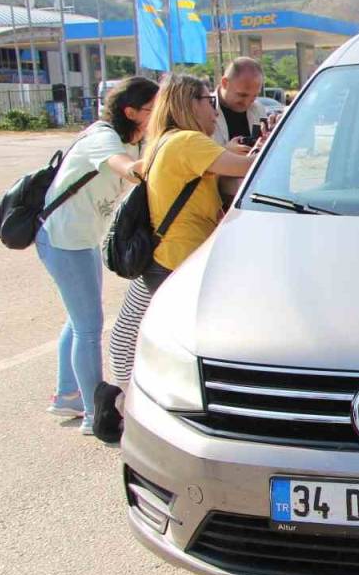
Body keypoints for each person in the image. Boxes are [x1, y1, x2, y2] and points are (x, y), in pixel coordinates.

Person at [99, 75, 261, 430]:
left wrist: (232, 150)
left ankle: (128, 402)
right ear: (190, 103)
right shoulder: (188, 142)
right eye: (208, 101)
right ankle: (134, 407)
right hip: (180, 261)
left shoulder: (165, 142)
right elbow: (250, 170)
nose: (214, 112)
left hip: (164, 257)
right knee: (161, 341)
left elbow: (219, 162)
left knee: (128, 332)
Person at [34, 77, 157, 435]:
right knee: (88, 327)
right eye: (152, 109)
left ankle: (67, 395)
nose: (157, 115)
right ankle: (93, 413)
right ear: (130, 111)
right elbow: (127, 169)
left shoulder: (133, 140)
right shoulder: (103, 138)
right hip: (61, 239)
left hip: (82, 239)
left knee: (78, 321)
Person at [212, 57, 269, 146]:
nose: (247, 103)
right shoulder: (203, 109)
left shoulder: (258, 109)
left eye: (254, 96)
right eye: (242, 95)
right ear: (225, 83)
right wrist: (226, 153)